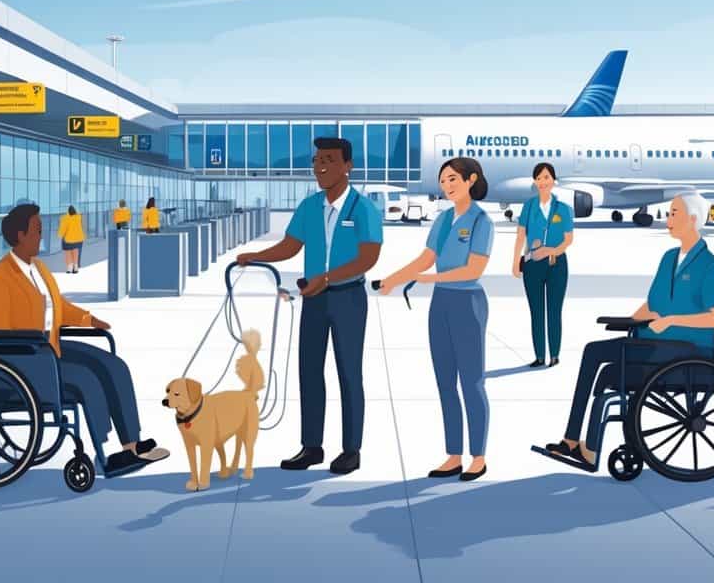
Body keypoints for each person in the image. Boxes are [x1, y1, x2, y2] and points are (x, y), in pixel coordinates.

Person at [539, 193, 714, 469]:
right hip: (656, 343)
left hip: (686, 350)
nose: (668, 217)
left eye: (674, 212)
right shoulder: (668, 258)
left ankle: (589, 450)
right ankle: (573, 441)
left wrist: (672, 320)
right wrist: (629, 320)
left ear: (693, 220)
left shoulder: (709, 266)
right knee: (596, 356)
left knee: (606, 368)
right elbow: (652, 304)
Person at [0, 203, 169, 476]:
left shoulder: (39, 269)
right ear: (20, 235)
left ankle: (131, 444)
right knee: (85, 379)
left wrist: (88, 320)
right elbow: (2, 335)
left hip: (49, 346)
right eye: (37, 231)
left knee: (112, 365)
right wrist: (37, 346)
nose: (42, 236)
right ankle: (104, 458)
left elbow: (59, 305)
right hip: (24, 360)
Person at [237, 137, 383, 475]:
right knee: (309, 372)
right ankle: (311, 446)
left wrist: (329, 278)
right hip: (314, 299)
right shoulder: (309, 207)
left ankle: (351, 449)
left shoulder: (362, 208)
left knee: (349, 373)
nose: (320, 166)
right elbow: (290, 245)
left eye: (329, 160)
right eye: (317, 160)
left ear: (347, 166)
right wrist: (256, 256)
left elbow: (368, 258)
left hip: (347, 298)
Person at [379, 157, 493, 481]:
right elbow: (425, 259)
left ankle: (479, 457)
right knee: (445, 382)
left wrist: (428, 280)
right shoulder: (443, 220)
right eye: (443, 180)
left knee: (471, 382)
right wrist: (393, 278)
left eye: (453, 179)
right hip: (441, 304)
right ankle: (453, 455)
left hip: (468, 303)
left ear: (471, 180)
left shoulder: (481, 221)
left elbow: (474, 269)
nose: (447, 185)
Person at [512, 162, 574, 368]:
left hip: (557, 264)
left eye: (546, 177)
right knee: (536, 311)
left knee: (554, 311)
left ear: (553, 181)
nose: (542, 182)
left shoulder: (563, 209)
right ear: (535, 181)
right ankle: (539, 356)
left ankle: (554, 355)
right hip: (533, 264)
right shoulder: (529, 206)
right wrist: (515, 261)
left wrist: (551, 251)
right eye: (539, 178)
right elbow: (521, 234)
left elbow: (568, 239)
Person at [58, 205, 85, 274]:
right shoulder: (78, 217)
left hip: (69, 240)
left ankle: (69, 268)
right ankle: (75, 267)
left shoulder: (65, 218)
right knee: (75, 251)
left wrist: (60, 235)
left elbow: (63, 229)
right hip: (79, 239)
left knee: (68, 252)